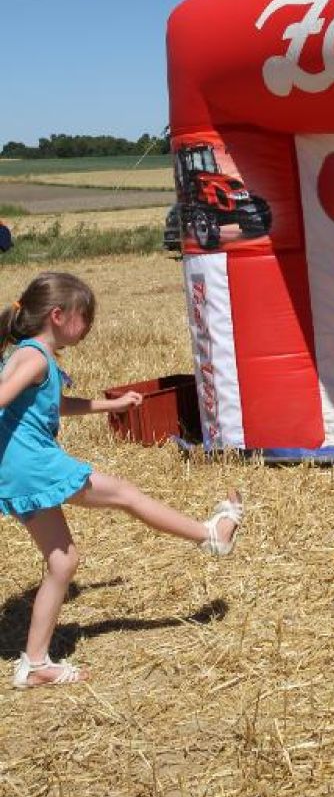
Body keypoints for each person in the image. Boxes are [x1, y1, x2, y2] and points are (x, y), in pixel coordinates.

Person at [0, 271, 243, 690]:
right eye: (85, 317)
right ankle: (210, 535)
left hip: (16, 468)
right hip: (33, 465)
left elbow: (54, 406)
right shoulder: (36, 357)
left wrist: (109, 404)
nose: (89, 325)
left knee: (63, 562)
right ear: (58, 316)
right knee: (127, 494)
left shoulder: (31, 354)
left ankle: (36, 663)